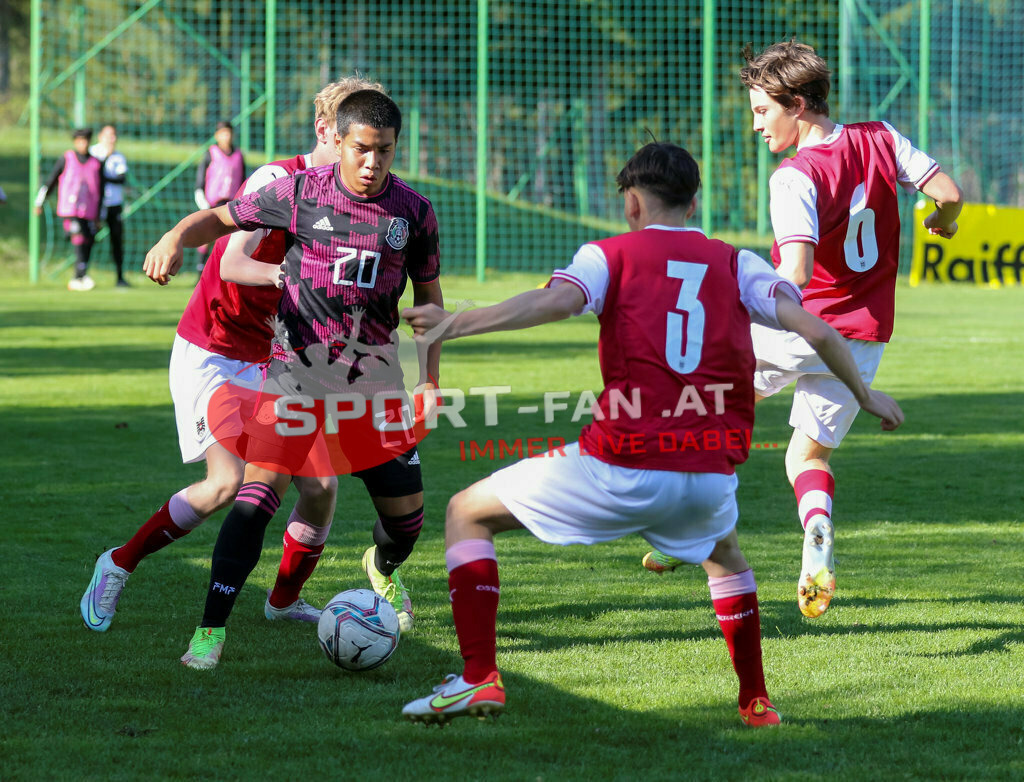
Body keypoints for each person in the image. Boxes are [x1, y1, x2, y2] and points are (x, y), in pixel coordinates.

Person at [398, 142, 903, 726]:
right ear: (692, 203)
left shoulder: (608, 255)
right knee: (728, 560)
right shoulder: (737, 263)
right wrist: (865, 396)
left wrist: (451, 325)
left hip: (622, 464)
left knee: (466, 511)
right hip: (709, 475)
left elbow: (555, 301)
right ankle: (756, 702)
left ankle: (478, 676)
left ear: (632, 202)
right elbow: (817, 331)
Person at [641, 41, 963, 620]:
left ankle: (684, 532)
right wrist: (941, 222)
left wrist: (739, 296)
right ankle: (816, 528)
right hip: (861, 339)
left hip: (800, 327)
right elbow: (949, 194)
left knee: (704, 410)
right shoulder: (882, 137)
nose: (756, 125)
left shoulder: (795, 177)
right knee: (805, 458)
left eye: (763, 111)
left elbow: (796, 271)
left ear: (796, 103)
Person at [143, 89, 443, 670]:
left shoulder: (414, 212)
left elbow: (429, 305)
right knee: (254, 500)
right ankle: (209, 634)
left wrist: (429, 381)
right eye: (361, 149)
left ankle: (380, 568)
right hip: (294, 381)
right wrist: (175, 236)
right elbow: (221, 216)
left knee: (407, 525)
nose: (371, 163)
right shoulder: (302, 192)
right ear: (340, 140)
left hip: (372, 387)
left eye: (383, 151)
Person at [79, 78, 382, 645]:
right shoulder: (277, 181)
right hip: (213, 353)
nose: (363, 154)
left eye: (372, 145)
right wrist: (287, 276)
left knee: (319, 488)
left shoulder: (355, 204)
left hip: (272, 360)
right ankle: (118, 562)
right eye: (353, 138)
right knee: (227, 484)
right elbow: (231, 265)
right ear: (326, 131)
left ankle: (283, 603)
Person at [35, 128, 105, 291]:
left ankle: (80, 275)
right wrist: (40, 202)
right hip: (70, 209)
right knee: (78, 237)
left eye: (86, 140)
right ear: (75, 142)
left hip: (90, 211)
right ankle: (80, 276)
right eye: (80, 140)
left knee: (89, 240)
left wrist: (99, 215)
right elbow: (51, 180)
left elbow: (100, 190)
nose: (83, 143)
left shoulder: (96, 163)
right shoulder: (67, 158)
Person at [193, 120, 245, 273]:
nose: (226, 137)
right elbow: (199, 183)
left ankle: (227, 274)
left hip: (231, 205)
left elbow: (242, 181)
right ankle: (200, 273)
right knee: (206, 240)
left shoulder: (238, 155)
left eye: (228, 133)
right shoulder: (210, 153)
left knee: (230, 241)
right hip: (212, 205)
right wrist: (205, 206)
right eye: (223, 133)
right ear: (217, 136)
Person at [90, 124, 130, 287]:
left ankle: (120, 277)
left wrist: (103, 177)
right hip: (95, 204)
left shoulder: (118, 157)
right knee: (88, 239)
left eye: (114, 135)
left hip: (114, 204)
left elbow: (121, 179)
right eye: (108, 135)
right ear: (100, 137)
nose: (111, 139)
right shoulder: (93, 153)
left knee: (117, 240)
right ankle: (81, 274)